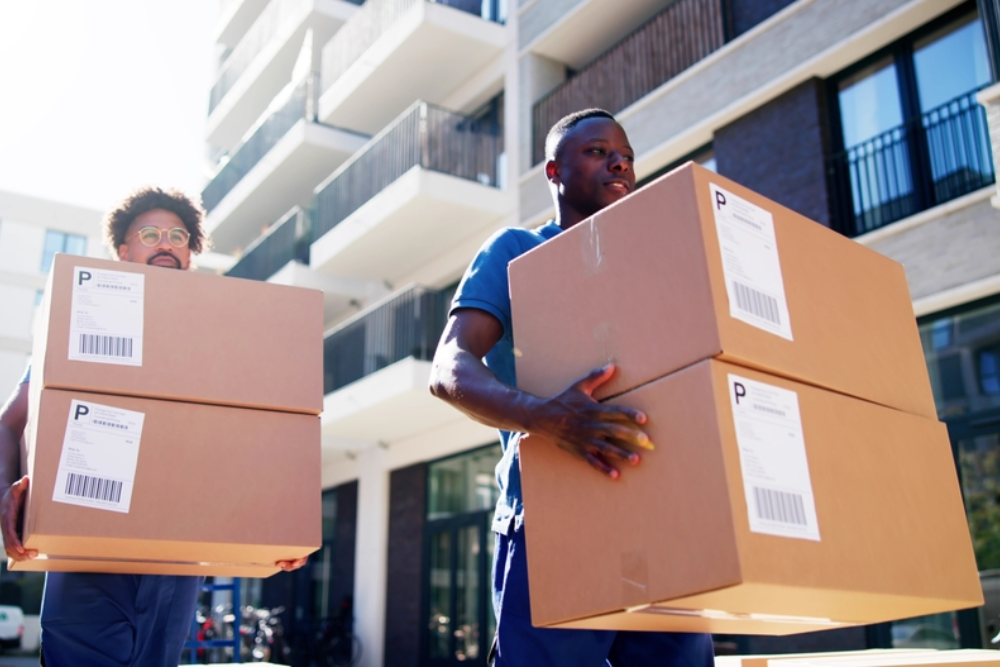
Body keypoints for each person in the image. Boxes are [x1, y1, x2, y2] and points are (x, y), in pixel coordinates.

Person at [429, 110, 715, 666]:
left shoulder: (657, 269)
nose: (619, 162)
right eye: (597, 151)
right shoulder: (515, 251)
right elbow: (448, 368)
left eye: (627, 155)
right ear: (554, 171)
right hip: (551, 525)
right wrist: (544, 416)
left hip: (664, 525)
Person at [0, 187, 307, 667]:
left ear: (190, 255)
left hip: (176, 565)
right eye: (149, 233)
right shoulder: (76, 324)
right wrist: (5, 491)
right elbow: (11, 420)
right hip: (88, 556)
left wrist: (276, 529)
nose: (165, 242)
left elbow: (253, 434)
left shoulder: (222, 340)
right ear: (123, 252)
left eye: (177, 235)